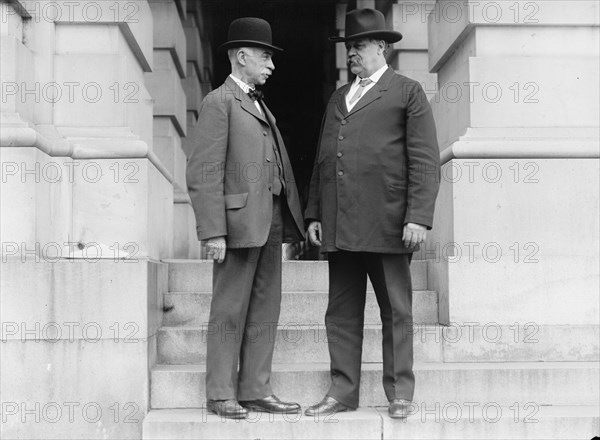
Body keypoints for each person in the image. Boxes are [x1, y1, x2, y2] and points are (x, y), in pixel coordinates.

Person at [304, 8, 440, 419]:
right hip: (340, 222)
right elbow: (324, 159)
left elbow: (424, 159)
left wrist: (417, 215)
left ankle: (400, 392)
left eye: (359, 45)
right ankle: (341, 392)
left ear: (381, 47)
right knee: (340, 313)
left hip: (389, 222)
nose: (352, 53)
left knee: (396, 311)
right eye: (349, 47)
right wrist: (315, 213)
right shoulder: (338, 96)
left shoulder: (407, 91)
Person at [186, 17, 305, 419]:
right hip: (236, 224)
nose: (271, 65)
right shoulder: (219, 101)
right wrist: (212, 231)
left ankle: (255, 389)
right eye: (265, 56)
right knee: (229, 308)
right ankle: (220, 393)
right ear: (241, 56)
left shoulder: (257, 101)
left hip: (269, 219)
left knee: (265, 307)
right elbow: (203, 171)